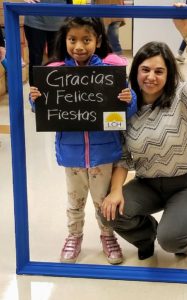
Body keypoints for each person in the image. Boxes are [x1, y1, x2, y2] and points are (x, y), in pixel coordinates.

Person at [100, 2, 187, 260]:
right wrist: (116, 191)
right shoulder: (125, 108)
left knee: (173, 241)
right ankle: (147, 236)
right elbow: (124, 158)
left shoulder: (181, 96)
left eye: (159, 71)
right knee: (108, 211)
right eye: (145, 69)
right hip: (148, 184)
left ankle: (183, 236)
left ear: (168, 74)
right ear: (135, 71)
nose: (151, 76)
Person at [30, 17, 137, 264]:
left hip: (104, 153)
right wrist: (36, 99)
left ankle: (107, 236)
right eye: (73, 39)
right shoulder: (54, 74)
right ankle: (73, 236)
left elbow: (127, 113)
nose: (79, 46)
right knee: (74, 201)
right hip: (72, 153)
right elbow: (43, 111)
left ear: (98, 41)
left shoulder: (110, 73)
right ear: (64, 40)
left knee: (103, 202)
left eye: (86, 40)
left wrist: (127, 99)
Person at [24, 0, 67, 86]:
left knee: (58, 61)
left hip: (60, 18)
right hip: (35, 17)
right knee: (35, 60)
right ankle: (35, 96)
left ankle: (58, 94)